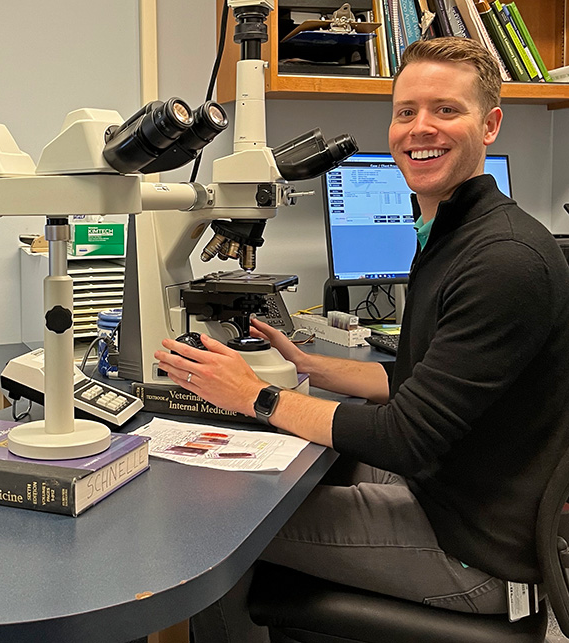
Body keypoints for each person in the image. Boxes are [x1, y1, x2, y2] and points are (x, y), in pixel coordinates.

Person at [156, 37, 569, 641]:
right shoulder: (455, 230)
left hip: (478, 552)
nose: (419, 128)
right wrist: (310, 366)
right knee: (287, 473)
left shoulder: (503, 260)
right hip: (459, 495)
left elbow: (405, 437)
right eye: (406, 112)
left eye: (446, 110)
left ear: (490, 125)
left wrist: (256, 396)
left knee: (217, 524)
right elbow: (418, 385)